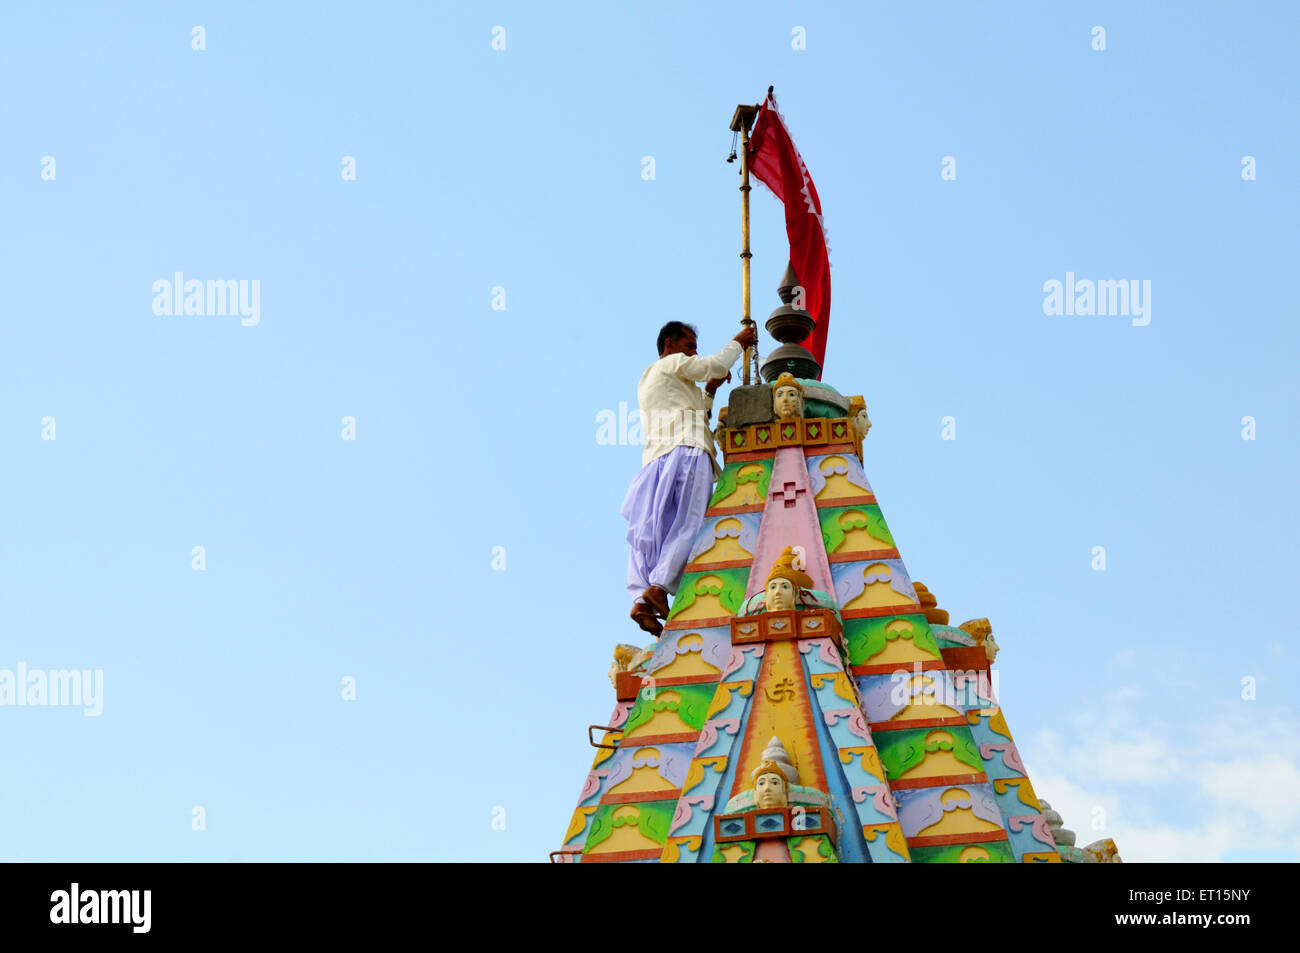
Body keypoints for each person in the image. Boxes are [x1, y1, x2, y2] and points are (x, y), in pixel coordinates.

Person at [622, 320, 758, 635]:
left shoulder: (651, 379)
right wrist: (738, 342)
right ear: (669, 345)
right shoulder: (672, 364)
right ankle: (658, 588)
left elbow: (698, 413)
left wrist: (709, 390)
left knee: (654, 533)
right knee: (691, 522)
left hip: (657, 459)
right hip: (687, 451)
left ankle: (641, 601)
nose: (692, 354)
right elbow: (713, 364)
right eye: (689, 347)